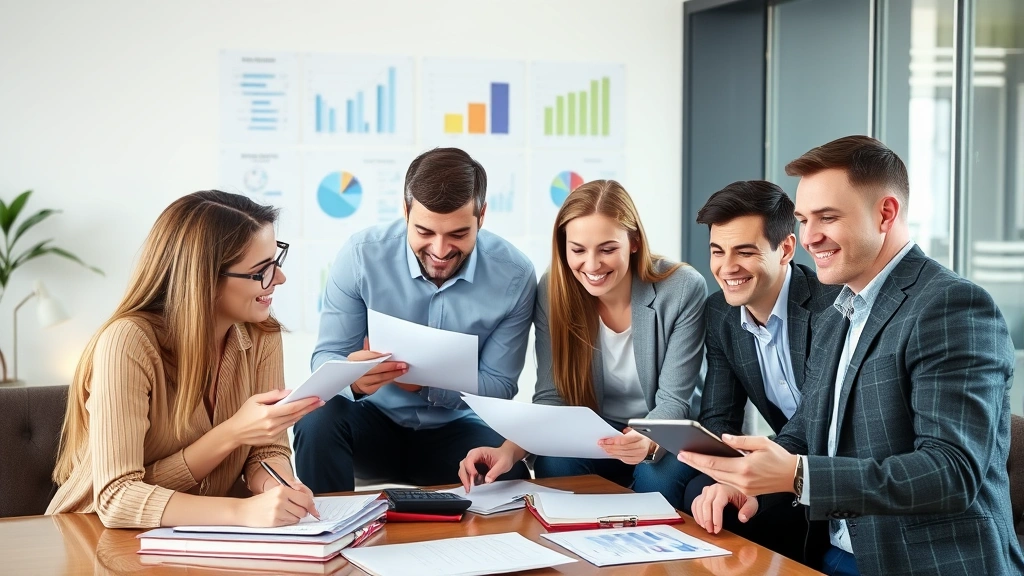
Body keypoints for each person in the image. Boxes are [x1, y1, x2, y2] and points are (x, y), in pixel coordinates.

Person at [681, 136, 1024, 576]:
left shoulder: (951, 307)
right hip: (830, 550)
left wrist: (798, 477)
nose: (809, 238)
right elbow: (807, 430)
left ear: (886, 213)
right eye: (804, 220)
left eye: (827, 218)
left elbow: (951, 472)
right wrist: (746, 479)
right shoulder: (842, 309)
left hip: (922, 562)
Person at [47, 191, 322, 529]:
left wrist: (279, 488)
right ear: (204, 280)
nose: (279, 279)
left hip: (201, 537)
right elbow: (117, 497)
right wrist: (234, 443)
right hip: (93, 537)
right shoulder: (128, 342)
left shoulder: (263, 334)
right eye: (261, 271)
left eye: (276, 263)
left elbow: (266, 451)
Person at [293, 147, 535, 493]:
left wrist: (423, 384)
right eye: (424, 232)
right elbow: (325, 360)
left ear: (481, 216)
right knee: (315, 419)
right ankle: (330, 533)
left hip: (456, 431)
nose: (439, 250)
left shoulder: (514, 274)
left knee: (509, 477)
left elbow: (500, 385)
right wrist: (356, 379)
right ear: (405, 211)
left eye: (458, 234)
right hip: (371, 423)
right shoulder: (361, 256)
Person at [458, 179, 706, 499]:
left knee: (654, 479)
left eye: (607, 249)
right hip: (599, 433)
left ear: (633, 242)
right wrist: (508, 451)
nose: (591, 265)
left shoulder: (682, 287)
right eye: (578, 250)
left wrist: (646, 439)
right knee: (555, 464)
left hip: (667, 431)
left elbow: (675, 402)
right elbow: (552, 399)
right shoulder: (553, 290)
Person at [682, 180, 837, 563]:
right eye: (717, 252)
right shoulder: (720, 312)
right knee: (701, 493)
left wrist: (751, 479)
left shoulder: (831, 305)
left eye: (745, 252)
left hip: (829, 464)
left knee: (742, 508)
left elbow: (812, 420)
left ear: (786, 248)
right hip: (779, 450)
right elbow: (720, 415)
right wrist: (723, 472)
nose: (726, 267)